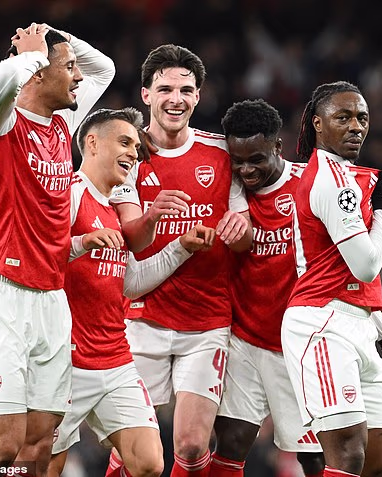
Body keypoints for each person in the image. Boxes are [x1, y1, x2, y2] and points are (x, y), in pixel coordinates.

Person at [210, 99, 382, 477]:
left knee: (318, 457)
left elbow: (349, 272)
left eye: (255, 159)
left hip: (299, 343)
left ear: (277, 147)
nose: (246, 170)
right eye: (237, 161)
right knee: (230, 442)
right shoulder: (228, 191)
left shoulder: (310, 186)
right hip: (246, 338)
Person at [0, 23, 115, 476]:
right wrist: (29, 55)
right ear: (39, 74)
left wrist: (53, 34)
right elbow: (0, 86)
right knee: (1, 449)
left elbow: (105, 69)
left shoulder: (62, 123)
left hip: (51, 297)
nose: (79, 76)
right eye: (69, 68)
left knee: (40, 443)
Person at [48, 107, 218, 477]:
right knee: (45, 465)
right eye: (124, 142)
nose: (133, 153)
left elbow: (130, 283)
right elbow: (39, 259)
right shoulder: (70, 194)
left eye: (136, 147)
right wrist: (81, 242)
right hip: (65, 363)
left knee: (149, 463)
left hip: (115, 359)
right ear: (92, 143)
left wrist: (181, 248)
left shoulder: (114, 210)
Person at [111, 44, 251, 477]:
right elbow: (131, 238)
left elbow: (246, 235)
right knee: (134, 454)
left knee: (191, 446)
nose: (176, 99)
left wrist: (240, 230)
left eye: (186, 90)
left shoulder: (222, 154)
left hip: (206, 323)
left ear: (198, 97)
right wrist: (159, 220)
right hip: (142, 319)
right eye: (165, 89)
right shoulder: (127, 155)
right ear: (146, 95)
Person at [281, 81, 382, 477]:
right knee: (348, 455)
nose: (356, 126)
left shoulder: (346, 177)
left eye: (362, 118)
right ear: (317, 124)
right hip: (323, 325)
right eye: (343, 117)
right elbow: (366, 266)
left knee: (377, 464)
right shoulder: (331, 180)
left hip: (361, 324)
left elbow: (347, 277)